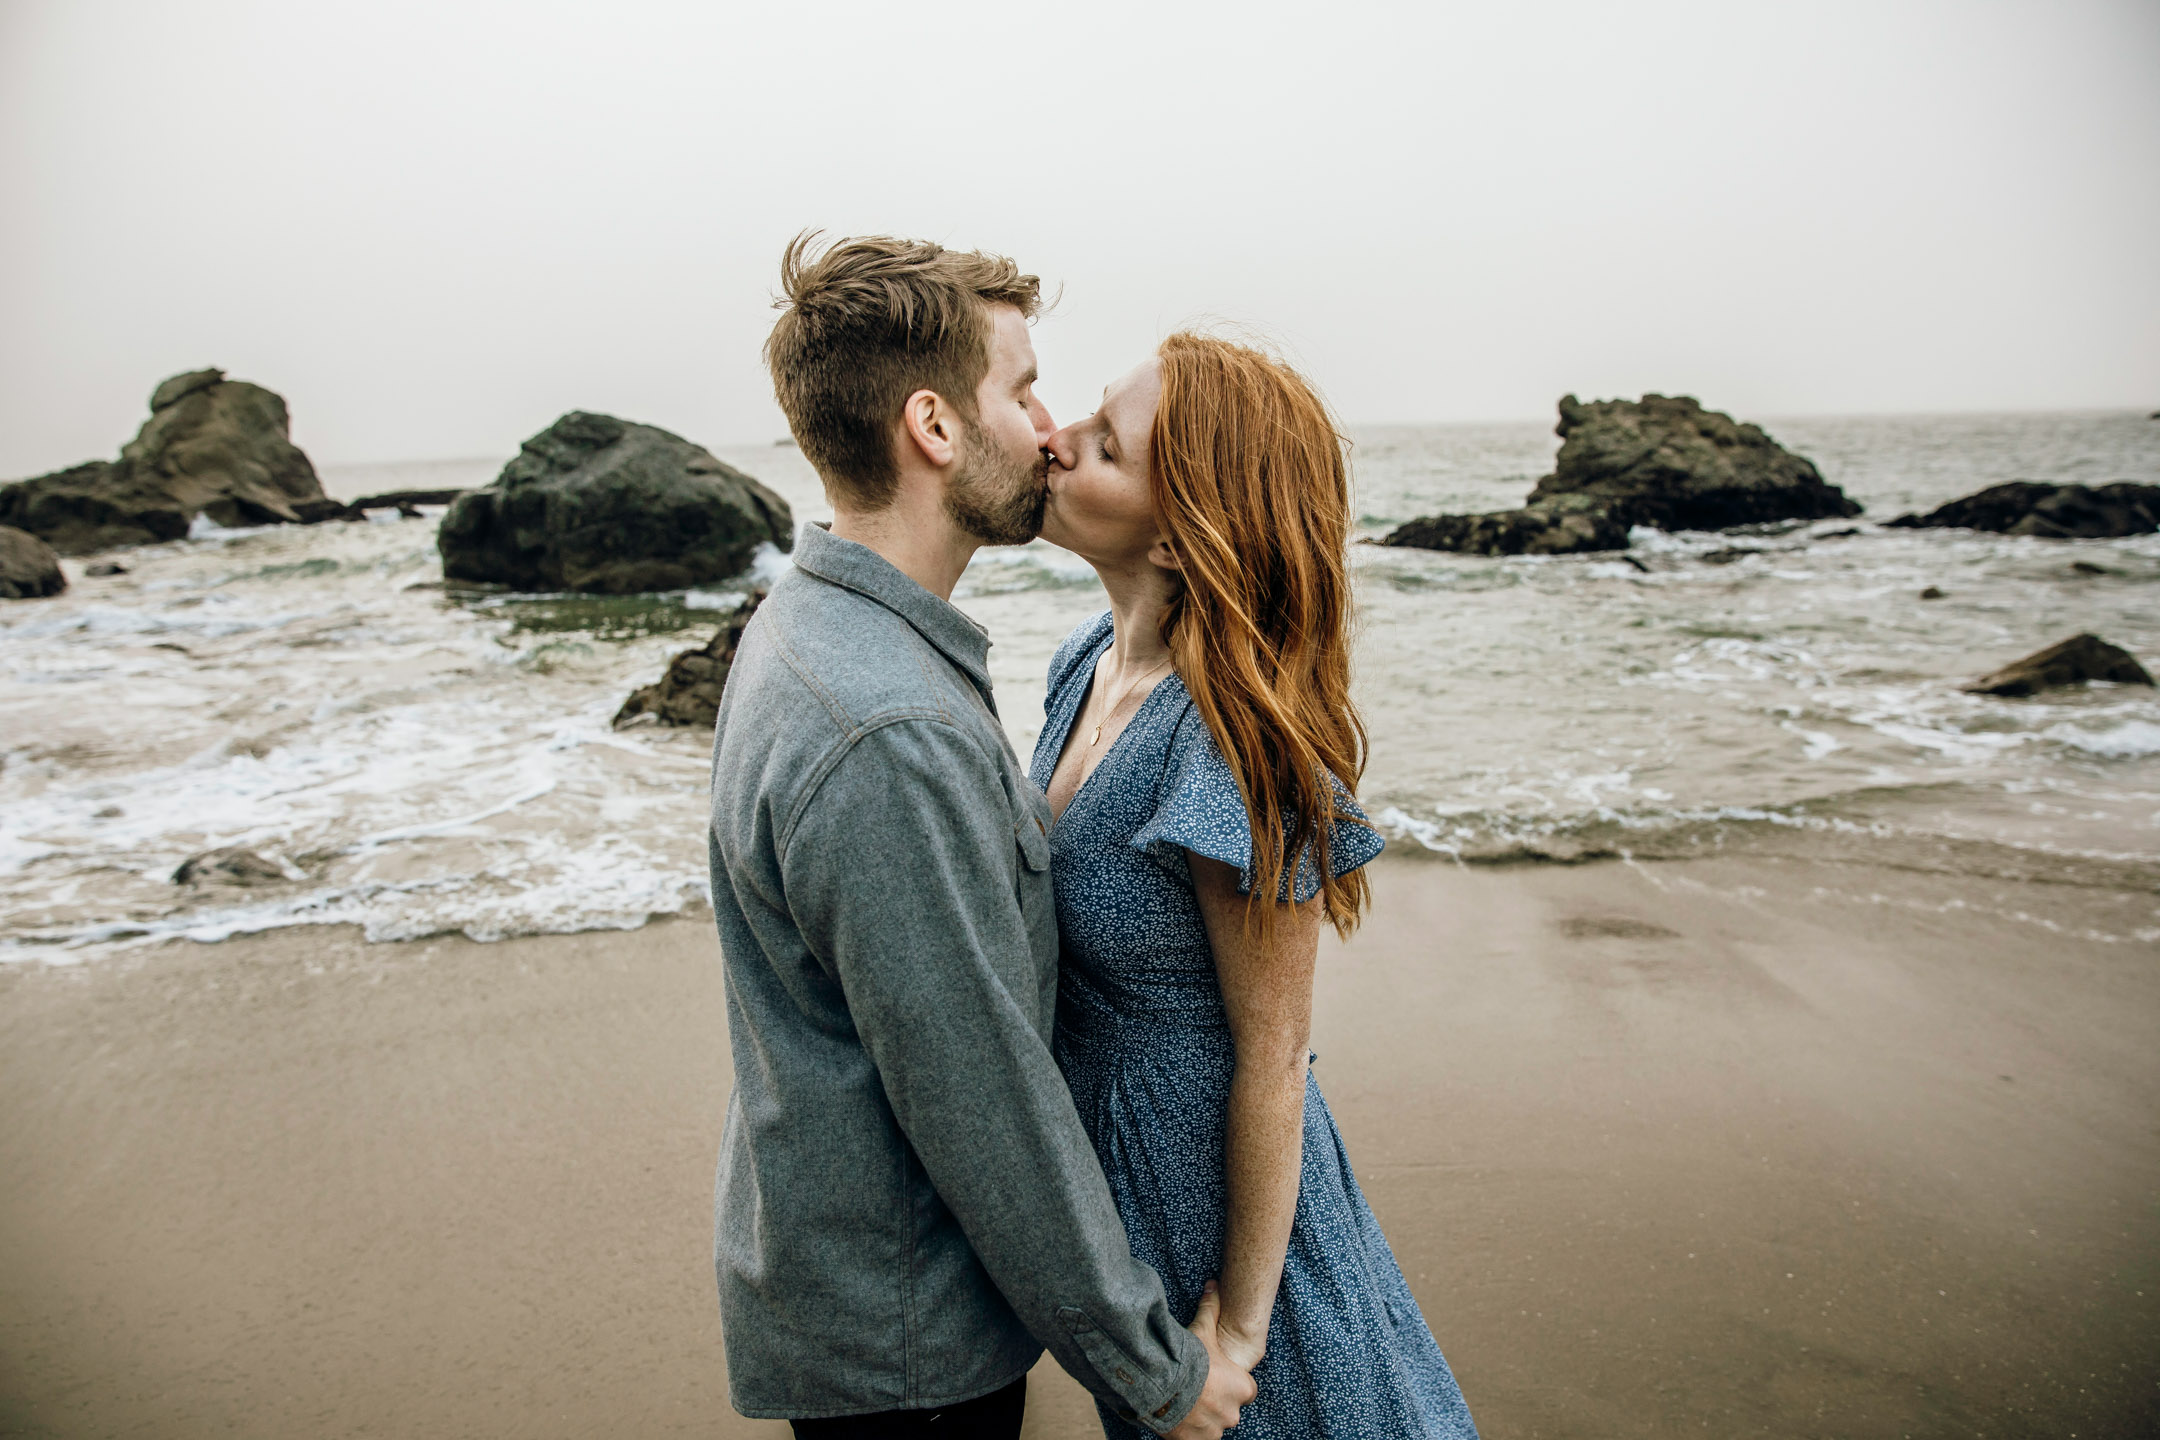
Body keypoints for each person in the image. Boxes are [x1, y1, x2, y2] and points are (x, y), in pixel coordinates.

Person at [705, 235, 1256, 1440]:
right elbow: (981, 1098)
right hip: (903, 1337)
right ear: (934, 428)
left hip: (853, 1281)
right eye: (1020, 388)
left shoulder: (809, 623)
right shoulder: (887, 726)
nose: (1050, 428)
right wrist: (1158, 1372)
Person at [1033, 333, 1480, 1439]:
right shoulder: (1082, 663)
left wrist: (1236, 1330)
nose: (1055, 442)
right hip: (1119, 1204)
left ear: (1183, 535)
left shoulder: (1229, 743)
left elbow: (1275, 1058)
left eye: (1104, 446)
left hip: (1221, 1228)